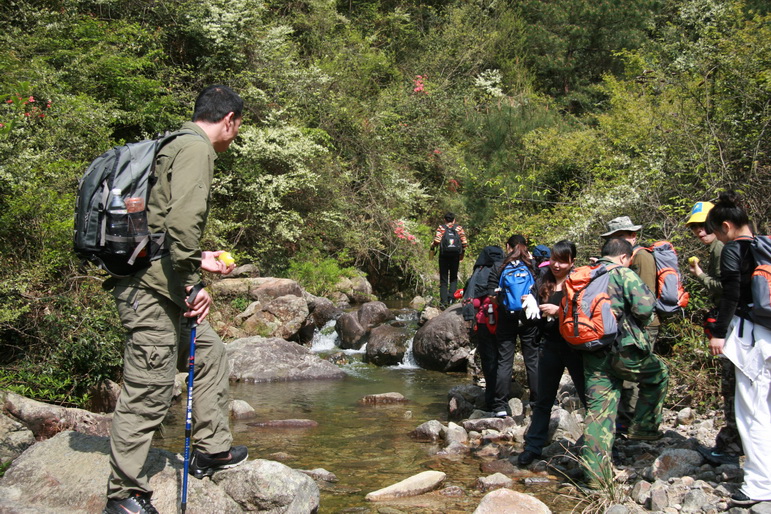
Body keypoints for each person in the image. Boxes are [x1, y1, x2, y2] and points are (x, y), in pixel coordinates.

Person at [103, 85, 248, 514]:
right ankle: (124, 494)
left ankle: (211, 449)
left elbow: (162, 226)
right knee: (148, 386)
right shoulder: (196, 150)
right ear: (229, 120)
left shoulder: (171, 144)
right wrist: (193, 284)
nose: (235, 134)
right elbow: (186, 220)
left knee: (208, 352)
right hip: (151, 291)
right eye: (238, 127)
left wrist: (198, 259)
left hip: (157, 279)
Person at [581, 238, 669, 488]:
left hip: (591, 350)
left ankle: (595, 477)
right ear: (624, 257)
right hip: (623, 349)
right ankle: (643, 428)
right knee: (659, 373)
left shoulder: (585, 274)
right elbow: (644, 308)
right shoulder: (623, 274)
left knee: (598, 413)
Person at [705, 191, 771, 506]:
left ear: (727, 226)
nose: (716, 238)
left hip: (752, 341)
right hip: (768, 333)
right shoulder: (765, 246)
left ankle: (759, 486)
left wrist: (718, 333)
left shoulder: (734, 250)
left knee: (751, 413)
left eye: (717, 232)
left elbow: (731, 296)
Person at [518, 240, 586, 466]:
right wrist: (529, 303)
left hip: (575, 346)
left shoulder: (579, 283)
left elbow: (585, 313)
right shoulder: (543, 281)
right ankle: (533, 446)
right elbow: (532, 315)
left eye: (562, 261)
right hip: (548, 345)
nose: (556, 265)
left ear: (572, 262)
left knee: (588, 396)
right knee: (543, 399)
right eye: (554, 259)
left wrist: (560, 311)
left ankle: (598, 445)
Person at [686, 201, 741, 464]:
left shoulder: (722, 247)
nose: (699, 232)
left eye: (702, 225)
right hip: (739, 324)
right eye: (695, 227)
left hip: (731, 325)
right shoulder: (727, 246)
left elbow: (725, 289)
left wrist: (699, 275)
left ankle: (730, 447)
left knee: (731, 385)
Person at [601, 216, 659, 434]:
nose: (616, 243)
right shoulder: (622, 260)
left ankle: (635, 423)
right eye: (613, 238)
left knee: (635, 373)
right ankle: (626, 419)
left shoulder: (641, 257)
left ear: (633, 235)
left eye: (619, 237)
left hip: (641, 326)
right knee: (625, 374)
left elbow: (645, 299)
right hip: (626, 326)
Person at [486, 235, 540, 416]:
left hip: (506, 318)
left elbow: (492, 295)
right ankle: (537, 402)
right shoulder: (532, 265)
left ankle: (500, 406)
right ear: (525, 247)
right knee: (532, 360)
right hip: (529, 317)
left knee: (504, 361)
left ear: (507, 246)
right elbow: (540, 290)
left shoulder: (499, 266)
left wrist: (504, 303)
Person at [462, 246, 506, 411]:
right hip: (505, 320)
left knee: (489, 360)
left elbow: (473, 302)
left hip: (484, 322)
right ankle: (503, 397)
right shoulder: (506, 269)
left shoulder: (479, 272)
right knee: (504, 360)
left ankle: (491, 399)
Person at [430, 212, 469, 308]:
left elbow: (437, 241)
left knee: (443, 279)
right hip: (455, 256)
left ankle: (443, 302)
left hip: (443, 256)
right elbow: (464, 242)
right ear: (454, 220)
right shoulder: (458, 228)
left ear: (445, 220)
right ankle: (452, 299)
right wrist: (462, 254)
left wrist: (433, 246)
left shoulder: (441, 228)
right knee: (453, 278)